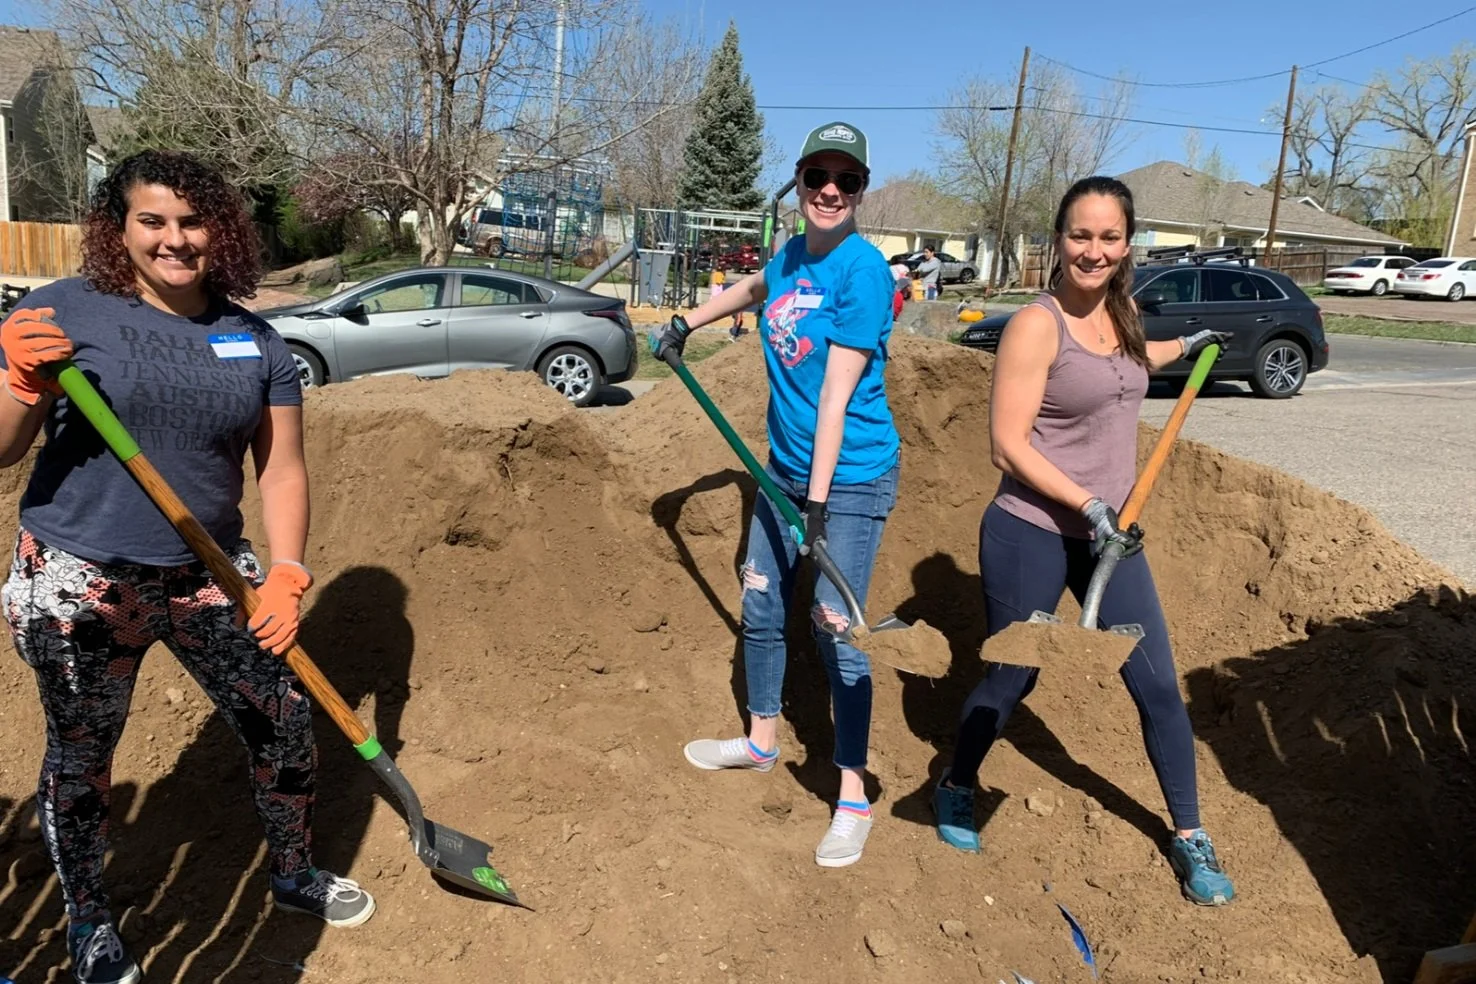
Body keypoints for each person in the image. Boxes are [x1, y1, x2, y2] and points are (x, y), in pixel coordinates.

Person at [0, 150, 375, 984]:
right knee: (83, 757)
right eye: (153, 220)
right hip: (80, 575)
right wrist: (23, 380)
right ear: (119, 226)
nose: (175, 239)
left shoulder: (255, 338)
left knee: (281, 721)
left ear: (222, 230)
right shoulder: (64, 310)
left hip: (208, 572)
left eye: (193, 221)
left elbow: (280, 470)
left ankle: (293, 873)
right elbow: (1, 450)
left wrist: (286, 573)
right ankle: (89, 921)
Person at [931, 175, 1236, 907]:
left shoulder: (1124, 312)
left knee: (1158, 685)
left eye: (1108, 237)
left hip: (1112, 541)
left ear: (1127, 244)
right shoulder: (1036, 325)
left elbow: (1126, 369)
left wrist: (1182, 345)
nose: (1092, 251)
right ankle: (956, 783)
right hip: (1032, 531)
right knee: (1014, 678)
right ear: (1058, 240)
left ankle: (1189, 834)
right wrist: (1087, 503)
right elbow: (1007, 445)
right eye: (1080, 235)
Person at [652, 121, 900, 868]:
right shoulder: (791, 254)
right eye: (816, 177)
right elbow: (758, 287)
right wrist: (687, 321)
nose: (829, 191)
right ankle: (762, 741)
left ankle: (852, 795)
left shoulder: (865, 274)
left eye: (845, 182)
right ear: (797, 182)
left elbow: (834, 395)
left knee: (834, 628)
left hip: (848, 479)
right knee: (761, 601)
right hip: (779, 473)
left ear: (860, 192)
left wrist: (817, 508)